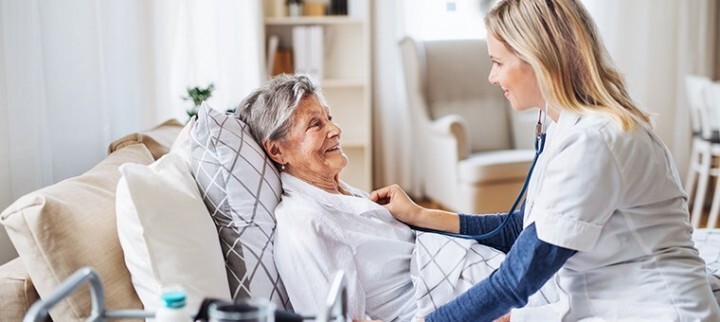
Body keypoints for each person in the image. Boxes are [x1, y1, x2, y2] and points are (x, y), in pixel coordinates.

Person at [370, 0, 720, 321]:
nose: (492, 77)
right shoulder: (566, 126)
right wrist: (420, 215)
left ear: (539, 58)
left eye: (497, 62)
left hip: (656, 310)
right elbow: (523, 229)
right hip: (603, 302)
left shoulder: (595, 141)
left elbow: (516, 281)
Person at [236, 74, 559, 321]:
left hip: (492, 280)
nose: (335, 130)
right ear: (277, 150)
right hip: (477, 306)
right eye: (315, 125)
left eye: (329, 117)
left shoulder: (345, 194)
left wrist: (417, 215)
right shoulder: (303, 224)